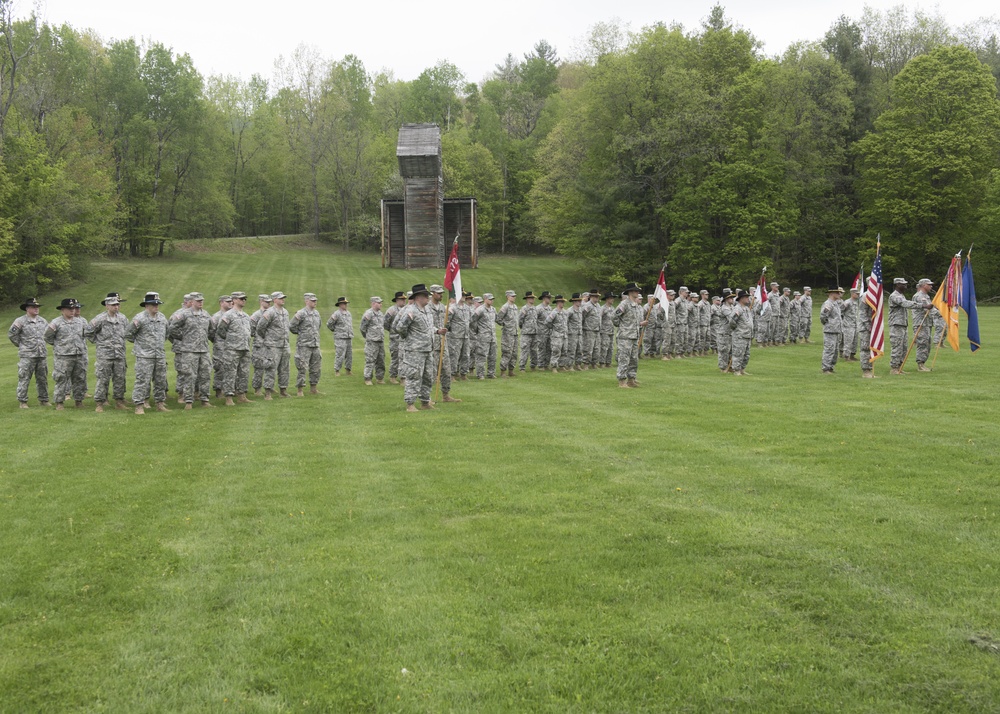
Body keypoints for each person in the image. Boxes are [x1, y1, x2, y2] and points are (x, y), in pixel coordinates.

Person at [395, 283, 444, 412]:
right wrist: (409, 338)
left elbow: (427, 327)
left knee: (428, 376)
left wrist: (437, 331)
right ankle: (410, 404)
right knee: (414, 376)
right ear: (418, 297)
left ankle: (425, 402)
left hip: (428, 349)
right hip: (415, 351)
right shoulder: (411, 311)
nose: (428, 298)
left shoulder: (427, 310)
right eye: (425, 296)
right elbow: (400, 327)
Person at [169, 292, 215, 409]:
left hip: (203, 350)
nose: (201, 303)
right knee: (189, 375)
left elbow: (212, 329)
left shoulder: (205, 314)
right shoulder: (184, 314)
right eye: (198, 301)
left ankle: (205, 399)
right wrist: (184, 338)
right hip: (189, 350)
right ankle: (188, 401)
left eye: (202, 301)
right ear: (192, 301)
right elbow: (172, 328)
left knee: (205, 375)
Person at [126, 292, 170, 414]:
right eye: (153, 304)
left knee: (160, 380)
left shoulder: (162, 318)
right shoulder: (139, 318)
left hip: (159, 355)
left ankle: (160, 404)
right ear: (146, 305)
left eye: (157, 304)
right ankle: (139, 405)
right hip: (144, 356)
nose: (156, 306)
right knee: (142, 381)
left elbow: (166, 334)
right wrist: (142, 345)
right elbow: (129, 334)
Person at [87, 294, 130, 412]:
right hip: (105, 355)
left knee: (119, 378)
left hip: (119, 354)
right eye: (113, 305)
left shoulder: (122, 318)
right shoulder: (99, 319)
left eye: (117, 304)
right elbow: (88, 331)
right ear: (107, 306)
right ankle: (99, 403)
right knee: (102, 379)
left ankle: (119, 401)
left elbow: (128, 332)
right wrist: (99, 342)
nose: (116, 307)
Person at [45, 298, 88, 410]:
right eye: (69, 308)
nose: (72, 310)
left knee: (79, 378)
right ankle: (59, 402)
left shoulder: (80, 321)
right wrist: (59, 346)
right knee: (61, 379)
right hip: (63, 356)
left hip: (79, 354)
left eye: (73, 308)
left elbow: (84, 335)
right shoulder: (56, 322)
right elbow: (48, 336)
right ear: (62, 310)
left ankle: (79, 401)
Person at [8, 297, 50, 408]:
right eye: (33, 307)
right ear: (27, 308)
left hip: (41, 354)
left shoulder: (43, 321)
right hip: (27, 355)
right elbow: (12, 335)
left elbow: (48, 334)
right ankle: (23, 401)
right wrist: (21, 345)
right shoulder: (20, 321)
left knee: (42, 378)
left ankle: (44, 400)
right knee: (24, 377)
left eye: (37, 307)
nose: (36, 309)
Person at [215, 291, 253, 405]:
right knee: (230, 373)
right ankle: (229, 397)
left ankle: (242, 395)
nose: (243, 300)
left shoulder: (245, 315)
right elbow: (221, 330)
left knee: (244, 373)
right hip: (232, 349)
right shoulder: (228, 315)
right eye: (241, 299)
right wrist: (232, 340)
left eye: (245, 299)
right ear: (234, 300)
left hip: (245, 348)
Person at [888, 278, 930, 375]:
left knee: (904, 347)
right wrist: (923, 306)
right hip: (896, 325)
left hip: (903, 324)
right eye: (903, 284)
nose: (905, 286)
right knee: (897, 347)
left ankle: (899, 367)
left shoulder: (901, 295)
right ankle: (894, 368)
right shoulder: (894, 296)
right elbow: (905, 303)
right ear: (897, 285)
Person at [428, 285, 461, 401]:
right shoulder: (427, 307)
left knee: (446, 370)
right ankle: (427, 398)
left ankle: (446, 395)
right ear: (432, 293)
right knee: (431, 372)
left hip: (443, 343)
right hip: (431, 344)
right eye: (438, 293)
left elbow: (446, 323)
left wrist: (445, 329)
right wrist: (437, 331)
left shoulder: (443, 307)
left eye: (442, 293)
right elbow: (426, 326)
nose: (441, 295)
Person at [256, 291, 291, 399]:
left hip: (284, 345)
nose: (283, 299)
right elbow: (260, 327)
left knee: (285, 369)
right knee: (271, 368)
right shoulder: (269, 312)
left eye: (283, 298)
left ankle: (283, 390)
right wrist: (268, 339)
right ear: (274, 300)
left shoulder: (285, 312)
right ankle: (268, 392)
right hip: (273, 345)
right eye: (280, 298)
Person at [612, 284, 646, 387]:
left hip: (634, 336)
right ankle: (622, 381)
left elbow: (634, 321)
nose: (637, 293)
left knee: (633, 359)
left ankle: (631, 379)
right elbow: (614, 316)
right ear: (630, 292)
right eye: (636, 291)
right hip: (625, 337)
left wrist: (641, 324)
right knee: (624, 359)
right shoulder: (624, 304)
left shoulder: (635, 305)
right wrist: (621, 326)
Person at [289, 292, 323, 395]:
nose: (315, 302)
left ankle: (314, 388)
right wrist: (301, 334)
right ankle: (300, 390)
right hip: (304, 345)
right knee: (302, 368)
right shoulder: (301, 313)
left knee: (316, 368)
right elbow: (291, 326)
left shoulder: (317, 313)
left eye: (315, 300)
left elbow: (318, 326)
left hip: (315, 344)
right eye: (312, 300)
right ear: (306, 301)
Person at [168, 294, 194, 401]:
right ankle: (181, 394)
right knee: (182, 371)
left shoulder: (195, 313)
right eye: (192, 302)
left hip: (193, 348)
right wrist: (180, 339)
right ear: (187, 302)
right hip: (181, 348)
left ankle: (192, 393)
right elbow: (170, 331)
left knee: (193, 371)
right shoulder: (178, 314)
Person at [360, 296, 386, 386]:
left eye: (381, 303)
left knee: (381, 360)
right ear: (373, 303)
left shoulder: (380, 314)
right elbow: (362, 328)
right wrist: (368, 337)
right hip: (372, 341)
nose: (381, 304)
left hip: (380, 340)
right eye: (379, 303)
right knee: (370, 360)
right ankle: (367, 378)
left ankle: (380, 378)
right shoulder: (368, 314)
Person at [910, 278, 935, 372]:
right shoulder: (919, 296)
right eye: (929, 284)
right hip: (921, 323)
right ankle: (920, 364)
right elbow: (927, 309)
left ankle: (923, 363)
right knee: (922, 343)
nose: (931, 286)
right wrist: (941, 314)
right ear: (924, 285)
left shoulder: (926, 296)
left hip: (927, 323)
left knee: (927, 343)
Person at [250, 294, 273, 396]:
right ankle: (257, 389)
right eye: (266, 302)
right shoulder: (256, 315)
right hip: (259, 344)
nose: (269, 303)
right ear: (261, 302)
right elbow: (251, 330)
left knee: (270, 366)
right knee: (259, 367)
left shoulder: (272, 313)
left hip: (270, 344)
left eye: (269, 302)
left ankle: (269, 387)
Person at [447, 291, 473, 379]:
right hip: (455, 336)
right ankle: (452, 375)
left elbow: (470, 320)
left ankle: (463, 374)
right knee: (454, 355)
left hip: (466, 335)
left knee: (466, 355)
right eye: (462, 295)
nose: (464, 297)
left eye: (464, 295)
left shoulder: (467, 308)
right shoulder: (452, 308)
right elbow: (447, 321)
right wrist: (451, 331)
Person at [472, 293, 497, 379]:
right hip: (483, 337)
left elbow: (495, 320)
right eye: (490, 299)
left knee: (493, 356)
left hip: (492, 337)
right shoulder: (480, 309)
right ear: (485, 299)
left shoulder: (493, 309)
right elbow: (472, 320)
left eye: (492, 299)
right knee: (482, 355)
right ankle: (480, 374)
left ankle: (491, 373)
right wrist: (477, 330)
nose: (491, 300)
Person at [211, 295, 233, 397]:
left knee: (231, 368)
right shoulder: (216, 317)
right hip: (220, 347)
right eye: (227, 301)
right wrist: (218, 342)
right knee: (220, 368)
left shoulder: (233, 315)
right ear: (221, 303)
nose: (230, 303)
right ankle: (219, 390)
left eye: (231, 301)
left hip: (232, 346)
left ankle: (230, 389)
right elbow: (211, 332)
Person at [384, 291, 407, 384]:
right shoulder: (391, 310)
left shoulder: (406, 309)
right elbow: (385, 323)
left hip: (403, 338)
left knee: (403, 358)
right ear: (397, 300)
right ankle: (393, 376)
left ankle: (403, 377)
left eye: (404, 299)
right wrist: (392, 331)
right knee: (395, 357)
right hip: (395, 338)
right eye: (402, 299)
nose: (404, 301)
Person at [326, 297, 354, 376]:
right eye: (344, 303)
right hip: (340, 338)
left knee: (349, 355)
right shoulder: (336, 314)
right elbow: (329, 324)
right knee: (340, 354)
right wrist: (335, 331)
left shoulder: (348, 313)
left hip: (348, 337)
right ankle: (337, 370)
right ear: (340, 304)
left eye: (346, 303)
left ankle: (348, 370)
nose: (346, 305)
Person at [728, 291, 754, 375]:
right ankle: (736, 370)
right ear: (741, 298)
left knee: (746, 355)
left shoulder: (746, 308)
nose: (748, 299)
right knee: (738, 353)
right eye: (746, 297)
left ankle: (742, 369)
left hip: (747, 335)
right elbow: (732, 321)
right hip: (740, 335)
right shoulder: (737, 308)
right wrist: (737, 329)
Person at [820, 287, 844, 374]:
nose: (839, 294)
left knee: (835, 350)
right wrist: (829, 324)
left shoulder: (835, 303)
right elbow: (823, 316)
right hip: (830, 330)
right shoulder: (828, 304)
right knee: (829, 349)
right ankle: (825, 368)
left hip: (837, 330)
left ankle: (831, 367)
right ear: (831, 293)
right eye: (837, 292)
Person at [496, 290, 519, 377]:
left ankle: (511, 370)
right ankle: (503, 371)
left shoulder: (515, 307)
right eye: (512, 296)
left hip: (515, 333)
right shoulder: (505, 307)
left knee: (514, 352)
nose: (514, 297)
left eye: (514, 296)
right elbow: (498, 319)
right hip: (508, 334)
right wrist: (505, 325)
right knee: (507, 352)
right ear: (508, 297)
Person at [545, 295, 569, 372]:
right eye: (562, 302)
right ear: (558, 302)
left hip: (564, 335)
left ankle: (562, 366)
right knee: (556, 351)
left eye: (563, 302)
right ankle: (554, 367)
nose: (563, 303)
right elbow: (547, 322)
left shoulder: (565, 312)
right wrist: (553, 328)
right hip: (556, 336)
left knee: (564, 351)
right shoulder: (554, 312)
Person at [518, 291, 540, 372]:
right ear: (527, 299)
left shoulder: (535, 308)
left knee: (534, 350)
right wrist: (524, 328)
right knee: (525, 350)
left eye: (533, 298)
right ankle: (522, 367)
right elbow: (520, 320)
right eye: (531, 298)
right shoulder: (524, 308)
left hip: (534, 332)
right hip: (526, 333)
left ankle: (533, 366)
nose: (533, 299)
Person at [840, 287, 860, 361]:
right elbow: (840, 311)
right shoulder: (847, 302)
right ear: (852, 294)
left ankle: (852, 355)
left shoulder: (856, 302)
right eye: (856, 293)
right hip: (848, 325)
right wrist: (843, 321)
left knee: (855, 341)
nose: (858, 295)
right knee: (848, 341)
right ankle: (846, 356)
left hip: (855, 324)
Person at [536, 291, 554, 369]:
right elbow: (534, 320)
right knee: (541, 348)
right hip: (541, 332)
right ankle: (540, 365)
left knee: (549, 348)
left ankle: (546, 364)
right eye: (548, 297)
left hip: (549, 332)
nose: (549, 299)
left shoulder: (550, 308)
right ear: (544, 298)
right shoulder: (538, 308)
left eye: (550, 298)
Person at [566, 293, 584, 370]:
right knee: (571, 350)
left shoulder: (580, 310)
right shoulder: (569, 311)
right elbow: (565, 321)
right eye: (579, 301)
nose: (580, 302)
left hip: (579, 333)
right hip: (572, 334)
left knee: (579, 350)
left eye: (581, 301)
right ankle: (570, 365)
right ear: (574, 301)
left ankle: (578, 364)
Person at [600, 293, 616, 367]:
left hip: (611, 331)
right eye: (611, 298)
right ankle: (602, 362)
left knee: (610, 347)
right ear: (607, 299)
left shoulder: (613, 308)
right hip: (604, 331)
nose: (613, 300)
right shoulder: (603, 308)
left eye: (613, 298)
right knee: (604, 347)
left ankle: (608, 362)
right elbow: (599, 318)